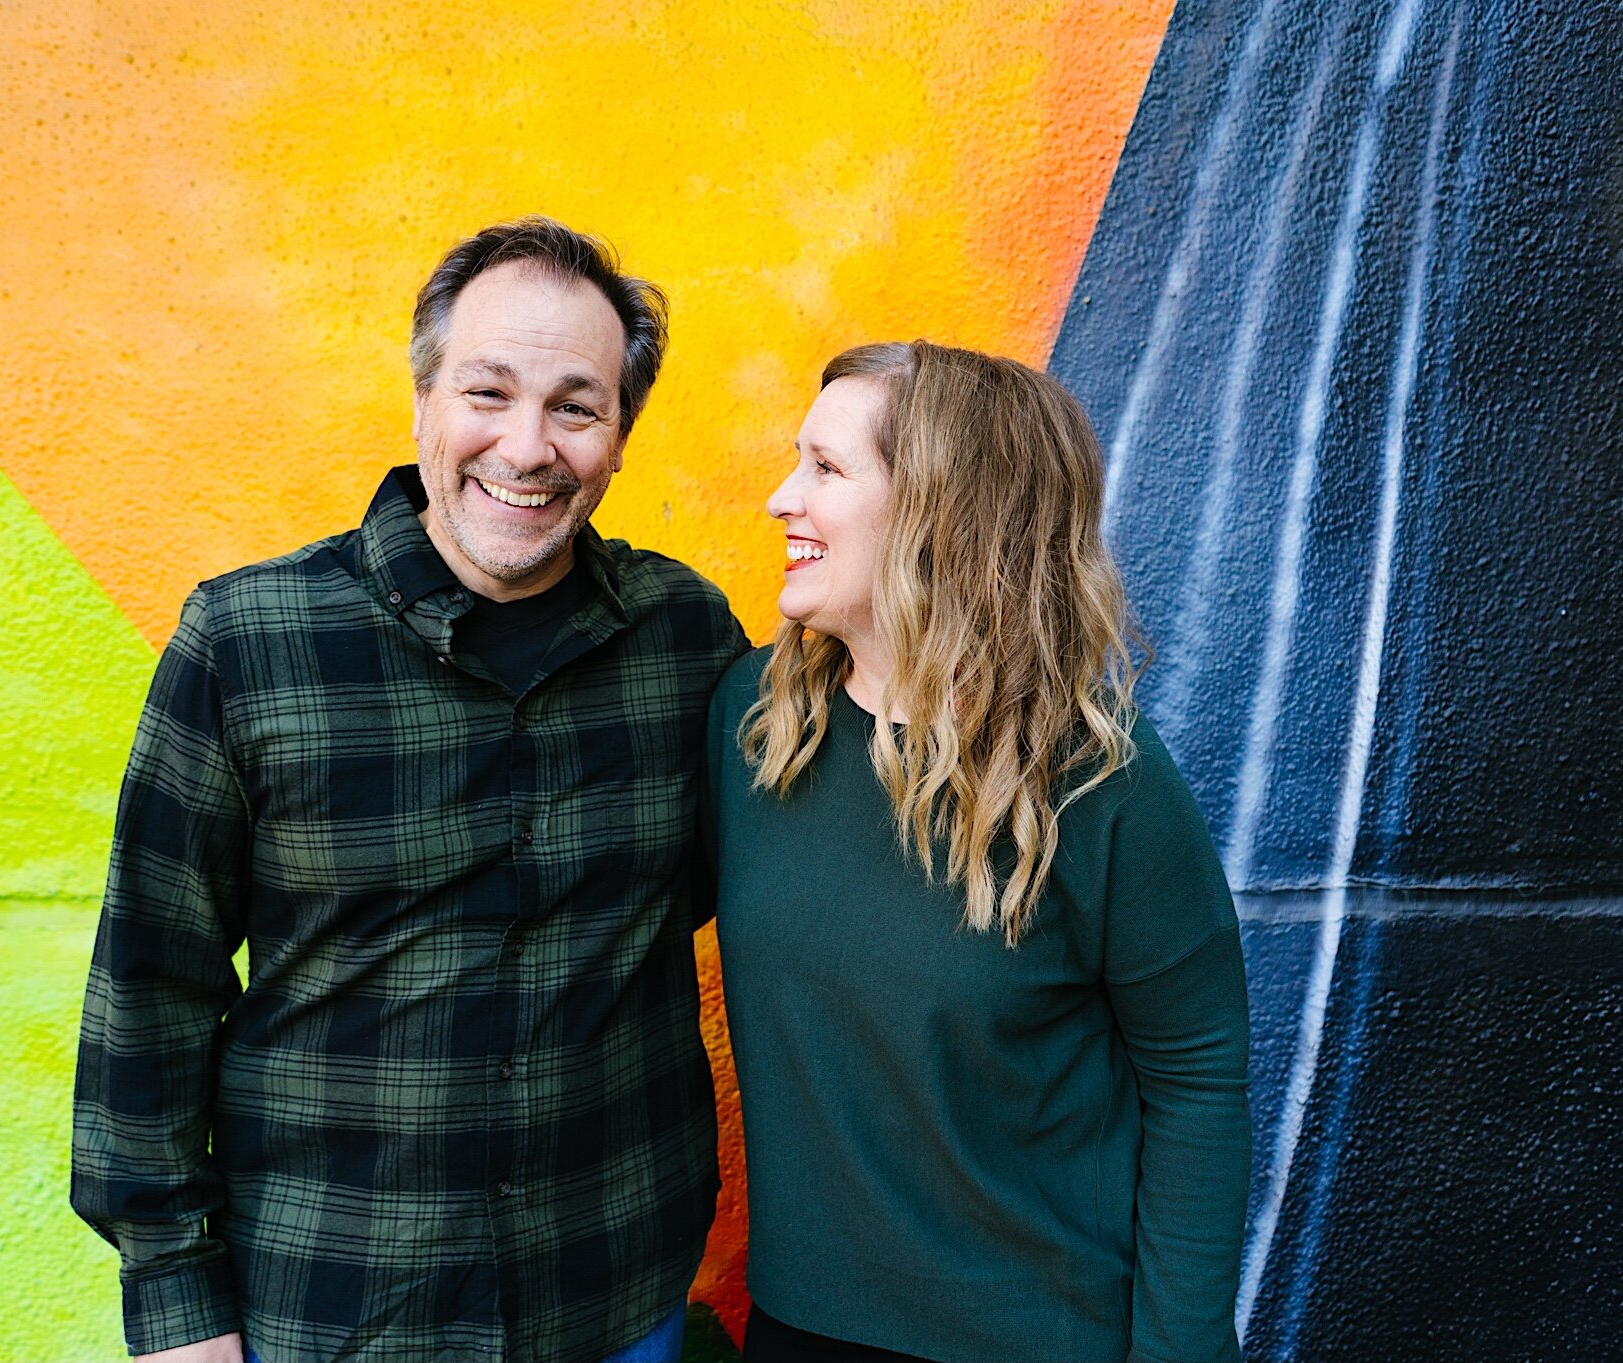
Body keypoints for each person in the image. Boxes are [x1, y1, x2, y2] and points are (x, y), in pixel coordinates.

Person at [72, 217, 748, 1363]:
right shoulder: (247, 640)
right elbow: (151, 985)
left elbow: (734, 886)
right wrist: (178, 1314)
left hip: (614, 1294)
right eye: (487, 392)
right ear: (423, 399)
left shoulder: (685, 639)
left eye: (574, 406)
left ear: (620, 436)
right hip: (337, 1309)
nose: (526, 448)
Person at [703, 342, 1252, 1363]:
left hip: (1034, 1338)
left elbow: (1197, 1078)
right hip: (795, 1331)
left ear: (942, 511)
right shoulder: (753, 724)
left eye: (825, 469)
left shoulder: (1100, 784)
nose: (782, 497)